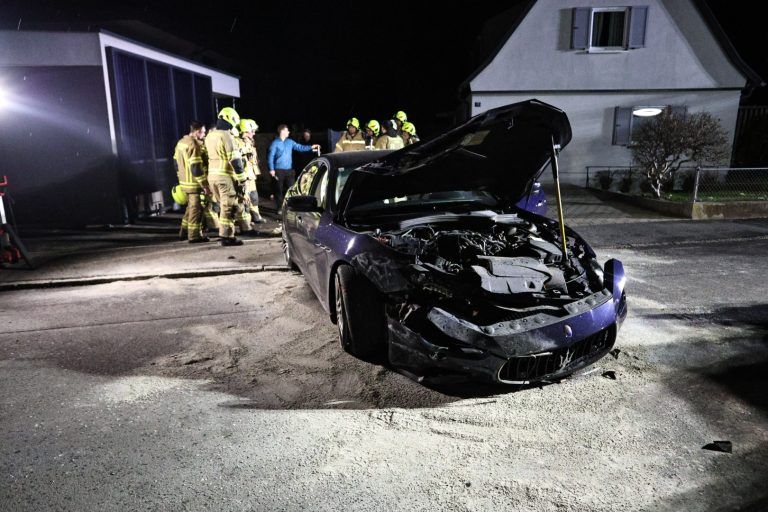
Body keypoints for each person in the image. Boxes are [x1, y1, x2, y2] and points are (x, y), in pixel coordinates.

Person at [205, 107, 248, 246]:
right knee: (229, 207)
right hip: (224, 176)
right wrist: (242, 179)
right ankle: (227, 236)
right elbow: (235, 160)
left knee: (224, 206)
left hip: (212, 176)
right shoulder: (227, 136)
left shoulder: (210, 136)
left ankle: (225, 234)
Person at [173, 121, 210, 243]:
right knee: (196, 209)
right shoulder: (193, 145)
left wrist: (180, 176)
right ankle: (194, 236)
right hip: (194, 183)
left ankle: (183, 232)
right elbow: (196, 167)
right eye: (203, 132)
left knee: (190, 207)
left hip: (184, 182)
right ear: (197, 132)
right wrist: (205, 185)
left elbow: (175, 162)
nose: (204, 135)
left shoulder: (181, 142)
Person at [268, 124, 320, 210]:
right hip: (279, 170)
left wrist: (311, 147)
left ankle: (292, 206)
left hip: (289, 170)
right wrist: (271, 169)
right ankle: (280, 207)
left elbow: (300, 147)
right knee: (279, 190)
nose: (289, 132)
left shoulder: (290, 142)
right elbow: (271, 157)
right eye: (287, 130)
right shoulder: (275, 143)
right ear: (282, 131)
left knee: (292, 189)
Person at [237, 118, 266, 224]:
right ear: (245, 130)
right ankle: (245, 220)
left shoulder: (249, 141)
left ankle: (256, 216)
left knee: (254, 195)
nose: (254, 133)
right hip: (243, 175)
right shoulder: (237, 142)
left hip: (250, 174)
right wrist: (245, 151)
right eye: (252, 131)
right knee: (244, 197)